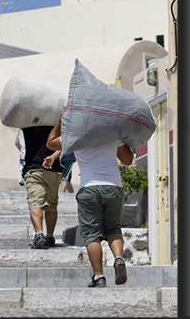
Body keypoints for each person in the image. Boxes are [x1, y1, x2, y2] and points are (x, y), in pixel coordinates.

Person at [47, 112, 133, 287]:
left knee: (92, 234)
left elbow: (50, 142)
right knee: (113, 228)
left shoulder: (76, 136)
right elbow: (127, 160)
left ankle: (99, 276)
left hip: (89, 189)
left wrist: (60, 120)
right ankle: (118, 258)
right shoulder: (112, 132)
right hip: (113, 187)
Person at [22, 125, 63, 249]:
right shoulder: (56, 125)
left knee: (35, 203)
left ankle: (39, 234)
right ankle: (50, 236)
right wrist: (53, 157)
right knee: (51, 205)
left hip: (34, 168)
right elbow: (63, 144)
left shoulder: (27, 123)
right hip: (54, 169)